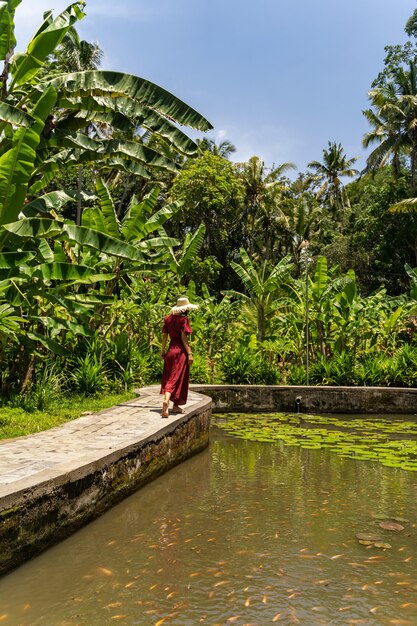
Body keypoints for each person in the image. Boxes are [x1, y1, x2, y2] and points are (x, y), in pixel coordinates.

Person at [160, 296, 198, 418]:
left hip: (170, 351)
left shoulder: (167, 319)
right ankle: (166, 400)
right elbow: (183, 338)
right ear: (184, 309)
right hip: (180, 352)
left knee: (170, 376)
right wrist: (189, 353)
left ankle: (175, 406)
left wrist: (163, 351)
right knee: (176, 378)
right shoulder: (184, 320)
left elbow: (165, 337)